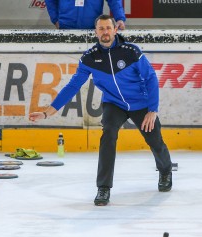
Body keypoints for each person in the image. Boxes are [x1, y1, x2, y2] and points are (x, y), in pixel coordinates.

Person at [29, 14, 173, 206]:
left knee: (154, 139)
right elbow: (73, 86)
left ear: (115, 30)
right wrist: (48, 111)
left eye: (108, 28)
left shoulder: (131, 51)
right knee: (108, 134)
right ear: (96, 32)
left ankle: (165, 171)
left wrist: (152, 109)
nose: (105, 32)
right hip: (114, 104)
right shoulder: (90, 58)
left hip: (141, 103)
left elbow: (151, 78)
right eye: (101, 29)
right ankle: (103, 188)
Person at [45, 0, 125, 30]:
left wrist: (119, 18)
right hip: (66, 28)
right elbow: (50, 1)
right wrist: (55, 19)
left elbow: (114, 1)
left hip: (93, 30)